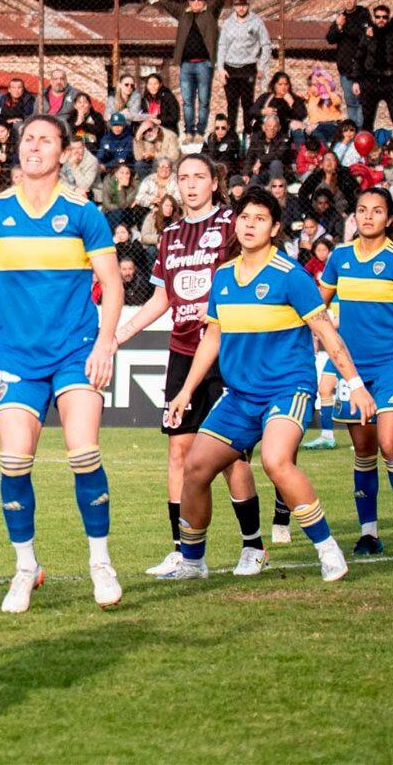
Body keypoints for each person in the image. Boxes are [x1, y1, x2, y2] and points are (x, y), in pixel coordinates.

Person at [163, 186, 373, 583]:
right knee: (194, 468)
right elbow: (212, 338)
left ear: (275, 227)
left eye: (260, 219)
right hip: (240, 396)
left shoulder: (290, 276)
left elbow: (326, 333)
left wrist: (356, 383)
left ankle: (328, 550)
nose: (250, 225)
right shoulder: (223, 275)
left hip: (287, 390)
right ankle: (192, 562)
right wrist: (185, 392)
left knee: (276, 461)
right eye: (244, 217)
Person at [0, 114, 124, 613]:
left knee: (83, 452)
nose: (34, 147)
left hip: (76, 349)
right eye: (28, 139)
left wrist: (105, 344)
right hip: (16, 353)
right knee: (13, 461)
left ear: (64, 153)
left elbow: (115, 286)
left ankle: (100, 562)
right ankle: (25, 567)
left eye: (45, 140)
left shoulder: (83, 213)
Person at [115, 154, 267, 576]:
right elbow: (162, 298)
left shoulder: (232, 227)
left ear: (214, 184)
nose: (191, 184)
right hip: (182, 352)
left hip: (227, 351)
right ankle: (185, 552)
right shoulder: (170, 235)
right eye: (184, 178)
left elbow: (249, 275)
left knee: (231, 456)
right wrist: (122, 333)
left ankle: (253, 546)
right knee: (178, 450)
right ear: (176, 186)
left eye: (199, 176)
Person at [317, 188, 393, 557]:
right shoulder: (340, 258)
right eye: (362, 210)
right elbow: (318, 309)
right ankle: (369, 533)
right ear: (354, 217)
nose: (369, 216)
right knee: (363, 450)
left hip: (392, 363)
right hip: (353, 368)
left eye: (377, 211)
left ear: (390, 219)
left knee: (391, 445)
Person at [152, 0, 225, 141]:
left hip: (204, 63)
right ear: (189, 1)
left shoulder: (211, 13)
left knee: (204, 100)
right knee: (187, 101)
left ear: (204, 0)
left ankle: (200, 132)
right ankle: (188, 132)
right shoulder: (183, 14)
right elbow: (165, 0)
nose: (197, 2)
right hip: (186, 64)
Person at [353, 4, 393, 145]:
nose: (381, 20)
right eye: (378, 17)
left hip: (391, 81)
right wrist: (356, 80)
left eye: (384, 17)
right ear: (374, 18)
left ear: (388, 17)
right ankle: (366, 150)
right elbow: (359, 57)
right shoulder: (367, 35)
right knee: (367, 119)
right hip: (370, 81)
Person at [218, 0, 273, 136]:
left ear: (248, 5)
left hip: (248, 67)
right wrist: (221, 68)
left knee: (247, 103)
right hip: (230, 67)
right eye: (238, 5)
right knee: (232, 104)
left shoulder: (256, 22)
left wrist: (261, 66)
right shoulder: (228, 23)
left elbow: (266, 45)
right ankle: (231, 136)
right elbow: (222, 45)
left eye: (244, 5)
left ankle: (248, 133)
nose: (241, 8)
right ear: (234, 7)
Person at [325, 0, 372, 128]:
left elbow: (361, 34)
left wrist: (343, 27)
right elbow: (330, 38)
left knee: (362, 102)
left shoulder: (363, 14)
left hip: (361, 67)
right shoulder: (341, 17)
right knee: (351, 103)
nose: (348, 1)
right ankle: (354, 132)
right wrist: (338, 26)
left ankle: (361, 133)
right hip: (345, 68)